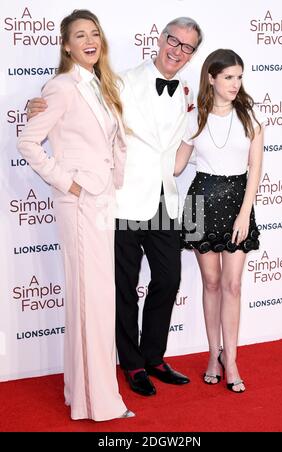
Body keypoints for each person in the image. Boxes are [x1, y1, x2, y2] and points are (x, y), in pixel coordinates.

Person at [27, 17, 203, 397]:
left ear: (192, 54)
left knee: (168, 279)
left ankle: (154, 356)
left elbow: (186, 137)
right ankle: (133, 364)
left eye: (188, 47)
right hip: (120, 197)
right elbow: (77, 109)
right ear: (160, 39)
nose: (178, 50)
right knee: (123, 287)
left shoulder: (188, 89)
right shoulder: (117, 82)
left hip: (163, 198)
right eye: (174, 40)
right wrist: (34, 107)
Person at [18, 9, 134, 421]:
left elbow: (112, 141)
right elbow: (29, 143)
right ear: (66, 45)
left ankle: (81, 393)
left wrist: (110, 182)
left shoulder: (102, 84)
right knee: (93, 303)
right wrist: (69, 183)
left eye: (95, 33)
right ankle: (99, 402)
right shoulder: (62, 86)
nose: (90, 40)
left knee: (95, 302)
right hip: (81, 203)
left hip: (102, 202)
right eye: (80, 35)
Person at [175, 49, 265, 393]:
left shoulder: (250, 120)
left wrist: (244, 213)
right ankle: (214, 354)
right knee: (210, 284)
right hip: (199, 202)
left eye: (239, 76)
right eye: (228, 76)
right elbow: (177, 167)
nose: (235, 83)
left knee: (233, 285)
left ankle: (233, 359)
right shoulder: (193, 117)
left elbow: (255, 171)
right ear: (211, 78)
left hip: (237, 203)